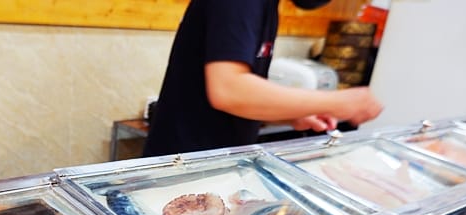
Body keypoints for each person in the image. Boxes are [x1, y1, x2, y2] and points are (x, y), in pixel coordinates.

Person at [143, 0, 384, 157]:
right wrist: (338, 101)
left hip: (214, 161)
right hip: (182, 164)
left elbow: (242, 89)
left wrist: (291, 114)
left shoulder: (266, 6)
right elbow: (229, 90)